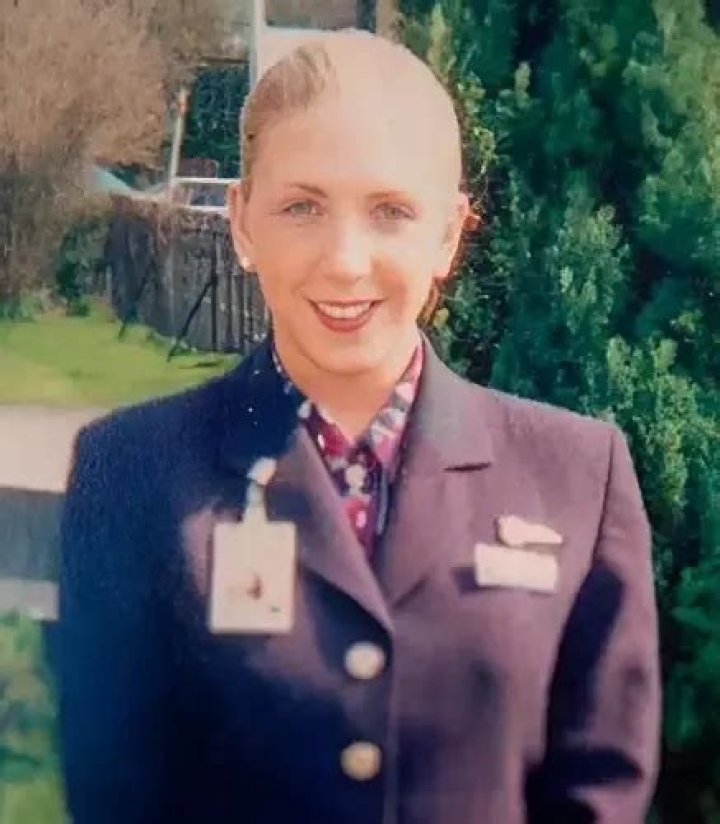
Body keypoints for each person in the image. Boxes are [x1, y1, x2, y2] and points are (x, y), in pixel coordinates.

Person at [57, 29, 661, 824]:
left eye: (390, 211)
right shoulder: (131, 473)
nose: (345, 260)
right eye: (302, 207)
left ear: (448, 235)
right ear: (243, 222)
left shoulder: (579, 476)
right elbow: (113, 793)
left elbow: (602, 789)